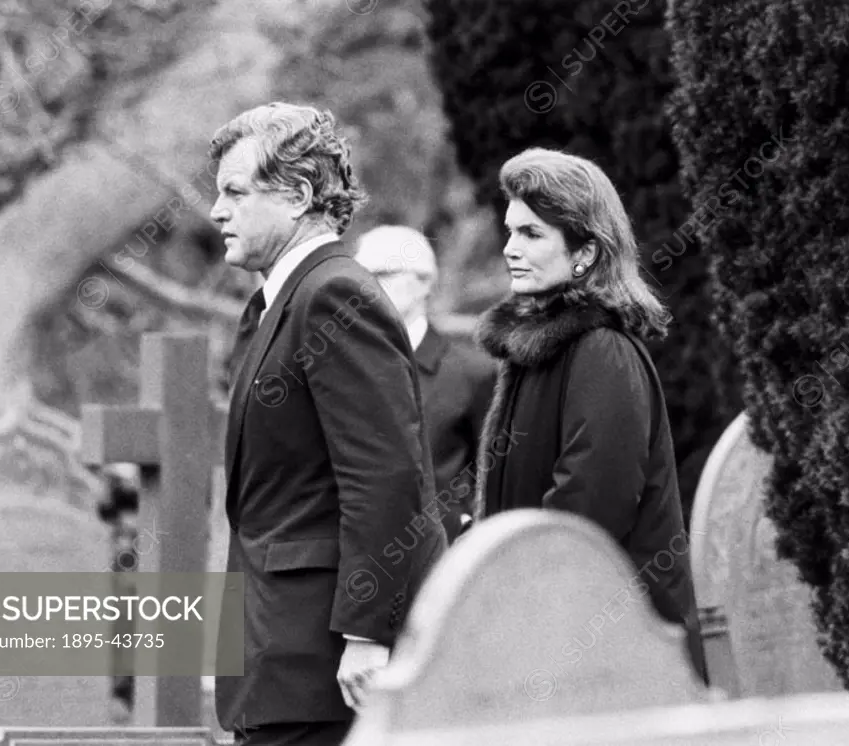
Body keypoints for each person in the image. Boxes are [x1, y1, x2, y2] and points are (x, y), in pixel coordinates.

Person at [209, 102, 447, 746]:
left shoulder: (334, 296)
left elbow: (387, 476)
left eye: (235, 192)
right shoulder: (276, 304)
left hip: (325, 663)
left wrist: (368, 634)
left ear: (299, 195)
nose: (216, 211)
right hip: (280, 655)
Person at [472, 147, 706, 679]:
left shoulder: (601, 351)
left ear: (585, 252)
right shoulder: (536, 352)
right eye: (510, 231)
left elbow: (589, 508)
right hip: (546, 628)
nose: (510, 248)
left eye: (532, 234)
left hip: (609, 645)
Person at [354, 226, 496, 544]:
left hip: (439, 564)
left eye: (382, 274)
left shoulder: (472, 374)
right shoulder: (340, 366)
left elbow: (493, 475)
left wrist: (462, 526)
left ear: (424, 283)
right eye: (360, 276)